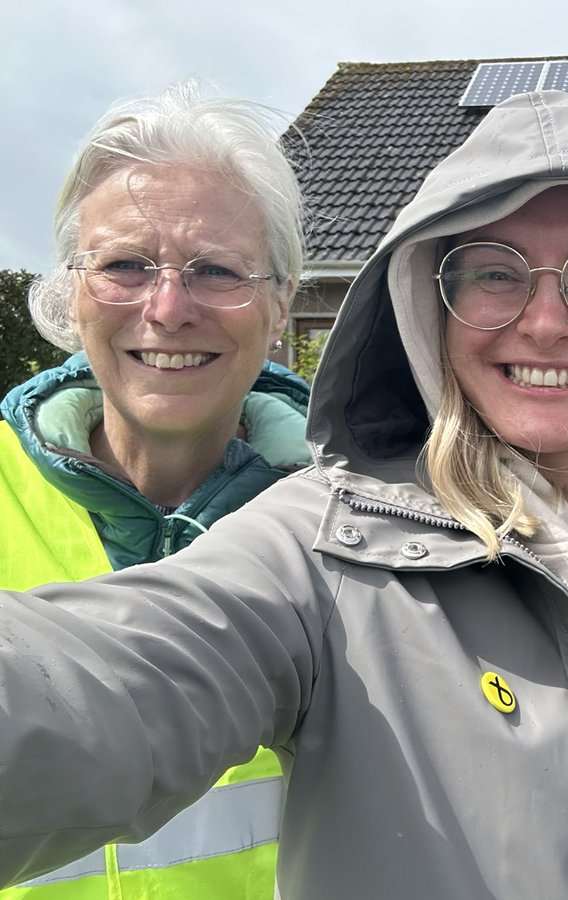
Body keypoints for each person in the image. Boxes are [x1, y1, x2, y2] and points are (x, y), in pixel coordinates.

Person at [0, 90, 568, 898]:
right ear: (426, 311)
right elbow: (98, 688)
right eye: (492, 274)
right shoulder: (316, 550)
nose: (548, 320)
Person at [0, 83, 309, 898]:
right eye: (126, 265)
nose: (168, 309)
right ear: (71, 293)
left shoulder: (358, 529)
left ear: (280, 303)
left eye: (215, 271)